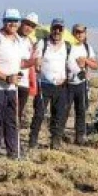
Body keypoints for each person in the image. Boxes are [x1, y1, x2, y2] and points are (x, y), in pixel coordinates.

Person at [0, 9, 28, 158]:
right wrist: (7, 78)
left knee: (11, 121)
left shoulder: (18, 40)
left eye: (15, 21)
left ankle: (12, 152)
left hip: (12, 88)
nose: (13, 23)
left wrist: (33, 62)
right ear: (4, 21)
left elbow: (19, 62)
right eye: (10, 20)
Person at [28, 18, 72, 150]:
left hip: (61, 86)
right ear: (51, 29)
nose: (57, 31)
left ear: (63, 30)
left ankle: (55, 140)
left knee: (58, 114)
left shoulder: (67, 46)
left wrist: (69, 76)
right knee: (39, 114)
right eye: (55, 28)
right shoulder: (43, 43)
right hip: (44, 85)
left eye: (60, 29)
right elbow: (36, 59)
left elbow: (70, 65)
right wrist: (37, 63)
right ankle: (33, 139)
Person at [66, 23, 98, 145]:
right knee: (63, 111)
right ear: (73, 33)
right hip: (67, 83)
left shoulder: (87, 47)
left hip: (82, 83)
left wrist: (85, 61)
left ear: (85, 34)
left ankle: (79, 137)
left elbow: (96, 65)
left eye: (82, 32)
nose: (80, 34)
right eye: (77, 32)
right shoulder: (67, 46)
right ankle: (58, 136)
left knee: (81, 111)